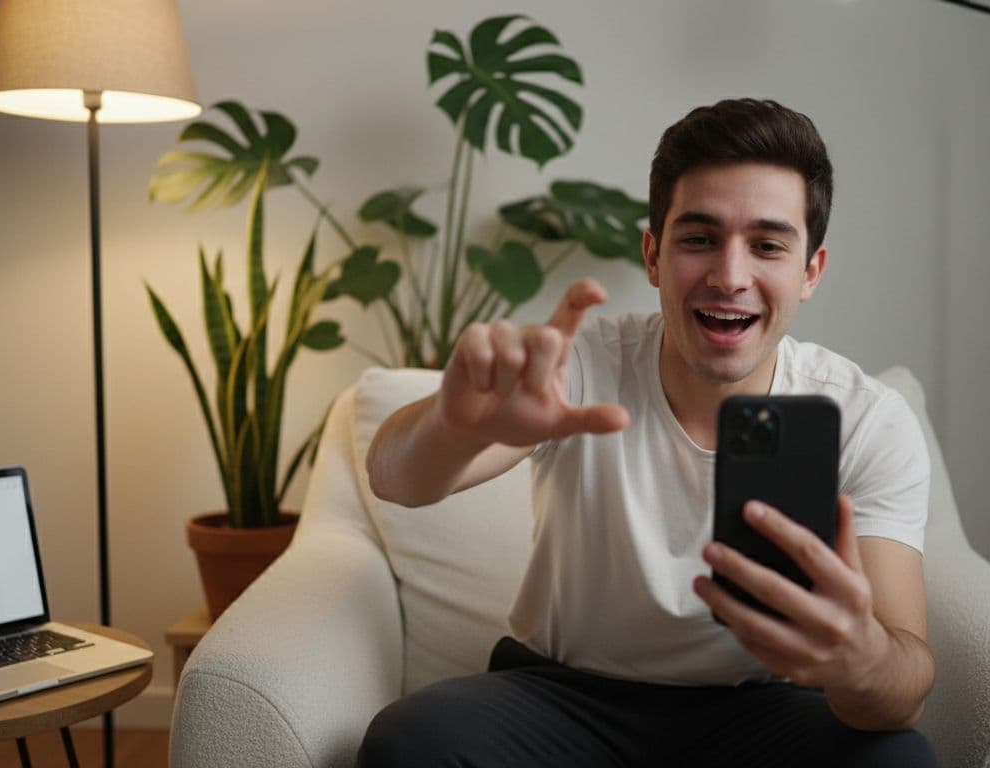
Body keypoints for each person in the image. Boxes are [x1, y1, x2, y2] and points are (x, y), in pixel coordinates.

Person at [357, 98, 940, 767]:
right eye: (699, 240)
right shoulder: (579, 365)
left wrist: (861, 658)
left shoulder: (866, 419)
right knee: (412, 740)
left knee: (900, 759)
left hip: (769, 709)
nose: (730, 276)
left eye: (767, 246)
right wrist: (457, 426)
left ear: (810, 270)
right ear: (654, 255)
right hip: (565, 700)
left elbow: (904, 691)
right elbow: (392, 477)